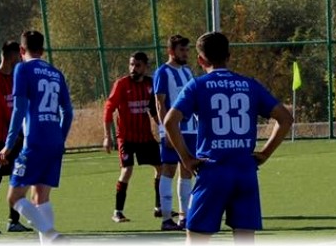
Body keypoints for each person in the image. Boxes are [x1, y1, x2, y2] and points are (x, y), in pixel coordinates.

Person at [163, 31, 294, 243]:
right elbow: (285, 119)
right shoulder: (250, 85)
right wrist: (265, 153)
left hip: (212, 171)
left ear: (200, 60)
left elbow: (170, 121)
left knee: (196, 238)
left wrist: (186, 159)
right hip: (245, 172)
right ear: (228, 56)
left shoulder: (198, 85)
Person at [0, 30, 74, 244]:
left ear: (21, 50)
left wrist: (8, 144)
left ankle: (52, 235)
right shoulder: (56, 73)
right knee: (41, 197)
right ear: (42, 50)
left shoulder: (22, 69)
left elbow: (19, 109)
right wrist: (60, 138)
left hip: (34, 141)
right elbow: (68, 112)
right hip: (55, 141)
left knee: (14, 197)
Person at [103, 51, 162, 224]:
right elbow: (108, 109)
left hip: (145, 136)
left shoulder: (151, 83)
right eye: (131, 64)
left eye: (137, 65)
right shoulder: (122, 84)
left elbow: (154, 110)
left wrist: (165, 129)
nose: (133, 68)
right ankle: (117, 212)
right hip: (126, 137)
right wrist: (107, 136)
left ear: (145, 67)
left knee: (161, 168)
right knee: (127, 170)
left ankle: (159, 207)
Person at [153, 34, 198, 230]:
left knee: (187, 170)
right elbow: (159, 104)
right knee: (168, 169)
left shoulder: (187, 71)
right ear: (171, 51)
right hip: (173, 130)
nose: (185, 53)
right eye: (182, 50)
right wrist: (165, 131)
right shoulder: (162, 72)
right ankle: (166, 219)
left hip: (191, 130)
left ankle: (184, 217)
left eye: (187, 50)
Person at [0, 40, 29, 234]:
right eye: (18, 55)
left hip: (19, 137)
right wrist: (17, 130)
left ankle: (13, 221)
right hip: (1, 139)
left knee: (17, 177)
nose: (21, 58)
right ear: (11, 56)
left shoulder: (17, 77)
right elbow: (1, 109)